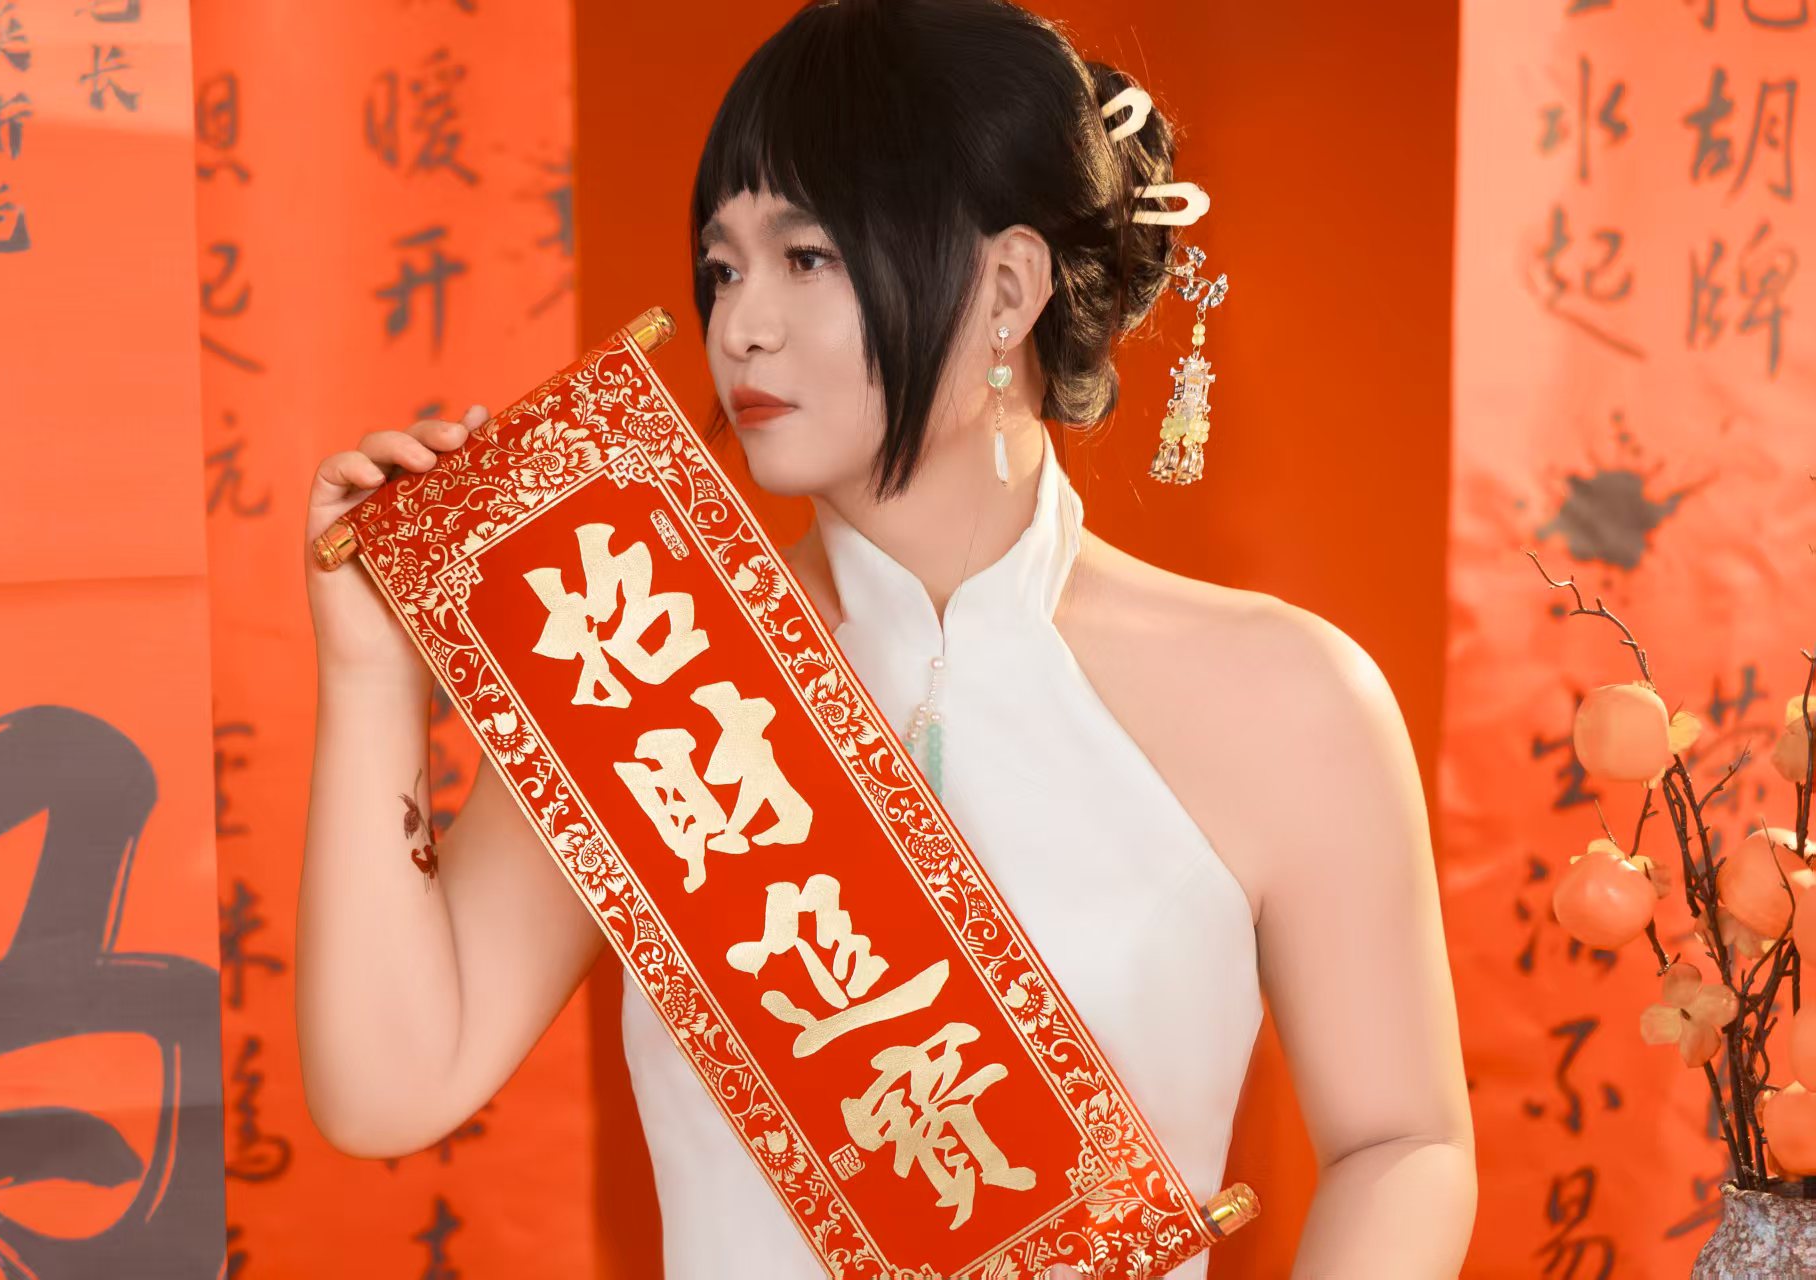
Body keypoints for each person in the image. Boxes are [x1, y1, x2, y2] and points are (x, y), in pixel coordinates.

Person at [296, 1, 1476, 1275]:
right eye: (722, 267)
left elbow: (1402, 1140)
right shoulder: (646, 666)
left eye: (806, 256)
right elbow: (391, 1082)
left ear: (1007, 287)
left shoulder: (1288, 694)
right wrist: (371, 673)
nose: (740, 323)